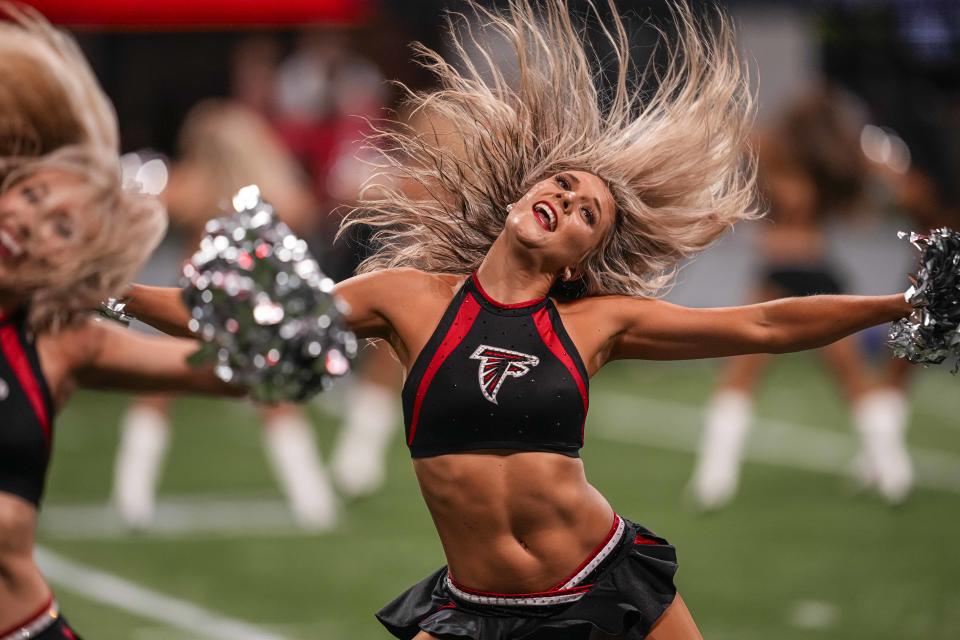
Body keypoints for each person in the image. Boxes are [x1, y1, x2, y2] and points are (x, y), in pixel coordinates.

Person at [125, 2, 919, 638]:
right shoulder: (406, 298)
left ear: (579, 257)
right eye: (564, 185)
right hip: (475, 609)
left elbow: (764, 327)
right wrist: (102, 288)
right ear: (517, 200)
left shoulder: (595, 322)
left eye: (587, 213)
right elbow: (236, 320)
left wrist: (901, 304)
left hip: (601, 581)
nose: (568, 200)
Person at [0, 8, 241, 638]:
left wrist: (118, 292)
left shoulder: (57, 342)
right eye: (28, 196)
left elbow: (232, 372)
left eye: (61, 227)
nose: (29, 221)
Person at [111, 99, 339, 531]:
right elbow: (304, 212)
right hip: (246, 304)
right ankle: (315, 502)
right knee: (274, 398)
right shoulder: (268, 190)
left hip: (193, 303)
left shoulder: (191, 184)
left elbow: (137, 206)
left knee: (156, 391)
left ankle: (131, 499)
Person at [688, 87, 915, 509]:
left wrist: (712, 102)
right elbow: (886, 192)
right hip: (817, 272)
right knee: (852, 381)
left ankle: (713, 480)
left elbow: (731, 132)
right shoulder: (827, 159)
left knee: (741, 377)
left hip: (782, 272)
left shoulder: (778, 152)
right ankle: (893, 474)